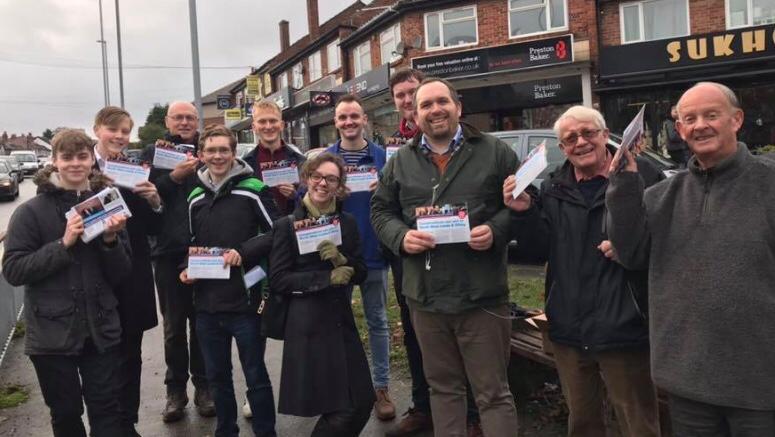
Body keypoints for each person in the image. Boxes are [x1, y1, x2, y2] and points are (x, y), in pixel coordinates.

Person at [606, 81, 775, 436]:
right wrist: (622, 184)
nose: (700, 125)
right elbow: (631, 254)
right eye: (690, 118)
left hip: (760, 381)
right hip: (687, 379)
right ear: (680, 130)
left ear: (737, 120)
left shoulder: (768, 185)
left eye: (711, 115)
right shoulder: (662, 196)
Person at [371, 78, 519, 437]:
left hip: (481, 295)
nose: (435, 110)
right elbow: (380, 211)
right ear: (415, 114)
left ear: (458, 107)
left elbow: (522, 206)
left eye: (442, 102)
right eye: (426, 105)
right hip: (426, 298)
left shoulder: (496, 153)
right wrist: (402, 236)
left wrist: (497, 229)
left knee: (493, 395)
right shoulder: (400, 162)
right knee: (443, 389)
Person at [502, 106, 661, 437]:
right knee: (583, 422)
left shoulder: (642, 175)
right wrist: (524, 212)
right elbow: (536, 250)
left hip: (625, 324)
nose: (581, 142)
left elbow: (666, 242)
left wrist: (631, 247)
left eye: (589, 133)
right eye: (570, 138)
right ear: (562, 148)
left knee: (638, 423)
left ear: (605, 136)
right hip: (569, 326)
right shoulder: (553, 188)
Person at [2, 129, 130, 437]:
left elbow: (122, 274)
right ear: (54, 161)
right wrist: (64, 243)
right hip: (51, 336)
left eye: (82, 156)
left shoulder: (108, 202)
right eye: (67, 157)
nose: (75, 164)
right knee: (66, 414)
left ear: (91, 160)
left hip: (100, 330)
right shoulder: (30, 211)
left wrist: (111, 239)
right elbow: (14, 270)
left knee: (108, 411)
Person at [383, 68, 482, 437]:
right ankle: (423, 407)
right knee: (415, 332)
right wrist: (400, 236)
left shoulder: (466, 142)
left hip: (462, 259)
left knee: (463, 333)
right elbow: (384, 204)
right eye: (402, 97)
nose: (409, 101)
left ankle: (471, 414)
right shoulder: (393, 146)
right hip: (411, 256)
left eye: (414, 94)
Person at [178, 125, 278, 437]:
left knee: (255, 375)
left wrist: (244, 252)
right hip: (207, 306)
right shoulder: (194, 196)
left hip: (246, 300)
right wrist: (186, 268)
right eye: (211, 150)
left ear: (233, 153)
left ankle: (266, 431)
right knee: (217, 377)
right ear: (201, 155)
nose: (217, 156)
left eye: (223, 150)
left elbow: (278, 232)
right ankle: (225, 430)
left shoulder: (253, 188)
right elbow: (191, 242)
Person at [269, 152, 373, 436]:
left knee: (363, 400)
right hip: (308, 324)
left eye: (331, 179)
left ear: (340, 186)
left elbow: (361, 270)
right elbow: (278, 279)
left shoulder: (347, 222)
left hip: (341, 322)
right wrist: (326, 277)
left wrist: (343, 262)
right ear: (306, 179)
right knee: (339, 408)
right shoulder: (286, 225)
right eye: (317, 176)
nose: (323, 183)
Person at [141, 101, 215, 421]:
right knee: (173, 328)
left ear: (197, 122)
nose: (184, 122)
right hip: (168, 253)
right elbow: (143, 194)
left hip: (203, 253)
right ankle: (175, 391)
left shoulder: (209, 150)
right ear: (168, 122)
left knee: (203, 324)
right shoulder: (153, 152)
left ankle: (204, 386)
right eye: (178, 117)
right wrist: (173, 176)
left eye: (190, 117)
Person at [92, 106, 164, 436]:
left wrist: (153, 201)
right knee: (100, 357)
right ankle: (106, 425)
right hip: (94, 276)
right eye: (113, 130)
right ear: (97, 130)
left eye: (125, 131)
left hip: (131, 273)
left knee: (131, 352)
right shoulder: (81, 164)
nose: (119, 136)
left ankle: (128, 423)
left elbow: (151, 227)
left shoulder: (135, 170)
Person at [325, 94, 395, 420]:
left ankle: (381, 388)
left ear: (364, 119)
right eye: (343, 118)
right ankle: (342, 388)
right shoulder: (326, 160)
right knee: (336, 324)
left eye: (354, 116)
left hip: (374, 253)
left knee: (378, 321)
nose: (349, 122)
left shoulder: (383, 158)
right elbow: (312, 202)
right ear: (336, 122)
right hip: (337, 257)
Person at [243, 100, 306, 216]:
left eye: (273, 121)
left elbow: (312, 199)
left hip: (292, 228)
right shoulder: (245, 166)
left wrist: (295, 196)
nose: (268, 126)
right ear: (254, 127)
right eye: (262, 121)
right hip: (261, 231)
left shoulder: (301, 162)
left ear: (281, 125)